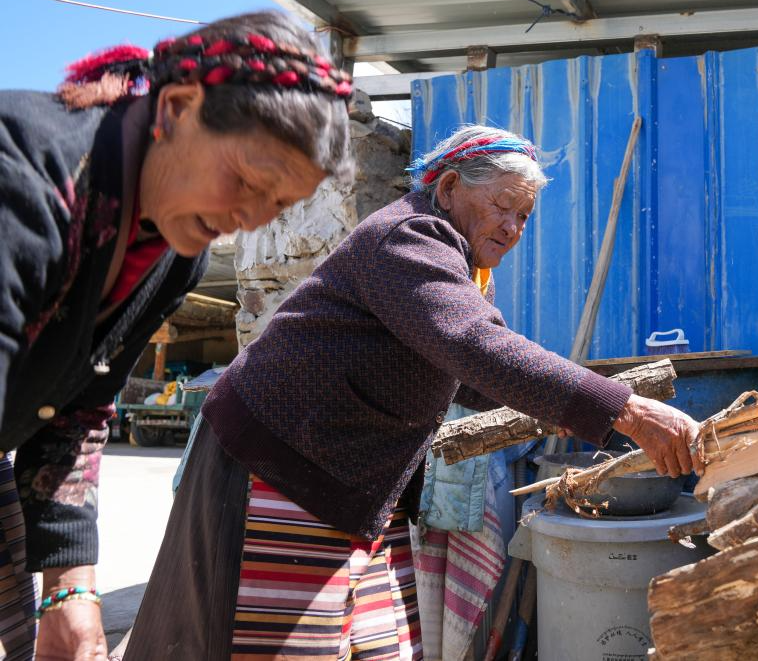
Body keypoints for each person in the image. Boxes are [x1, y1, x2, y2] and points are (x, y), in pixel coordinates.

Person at [126, 125, 700, 661]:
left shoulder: (455, 261)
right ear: (448, 189)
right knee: (274, 644)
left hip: (349, 483)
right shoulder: (410, 236)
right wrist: (624, 409)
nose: (513, 227)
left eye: (524, 216)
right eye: (503, 206)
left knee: (380, 645)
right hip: (280, 464)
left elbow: (471, 373)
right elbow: (472, 343)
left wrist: (565, 410)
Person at [0, 11, 352, 660]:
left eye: (276, 205)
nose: (249, 220)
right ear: (177, 108)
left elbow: (77, 408)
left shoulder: (170, 252)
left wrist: (69, 591)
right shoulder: (23, 172)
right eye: (246, 181)